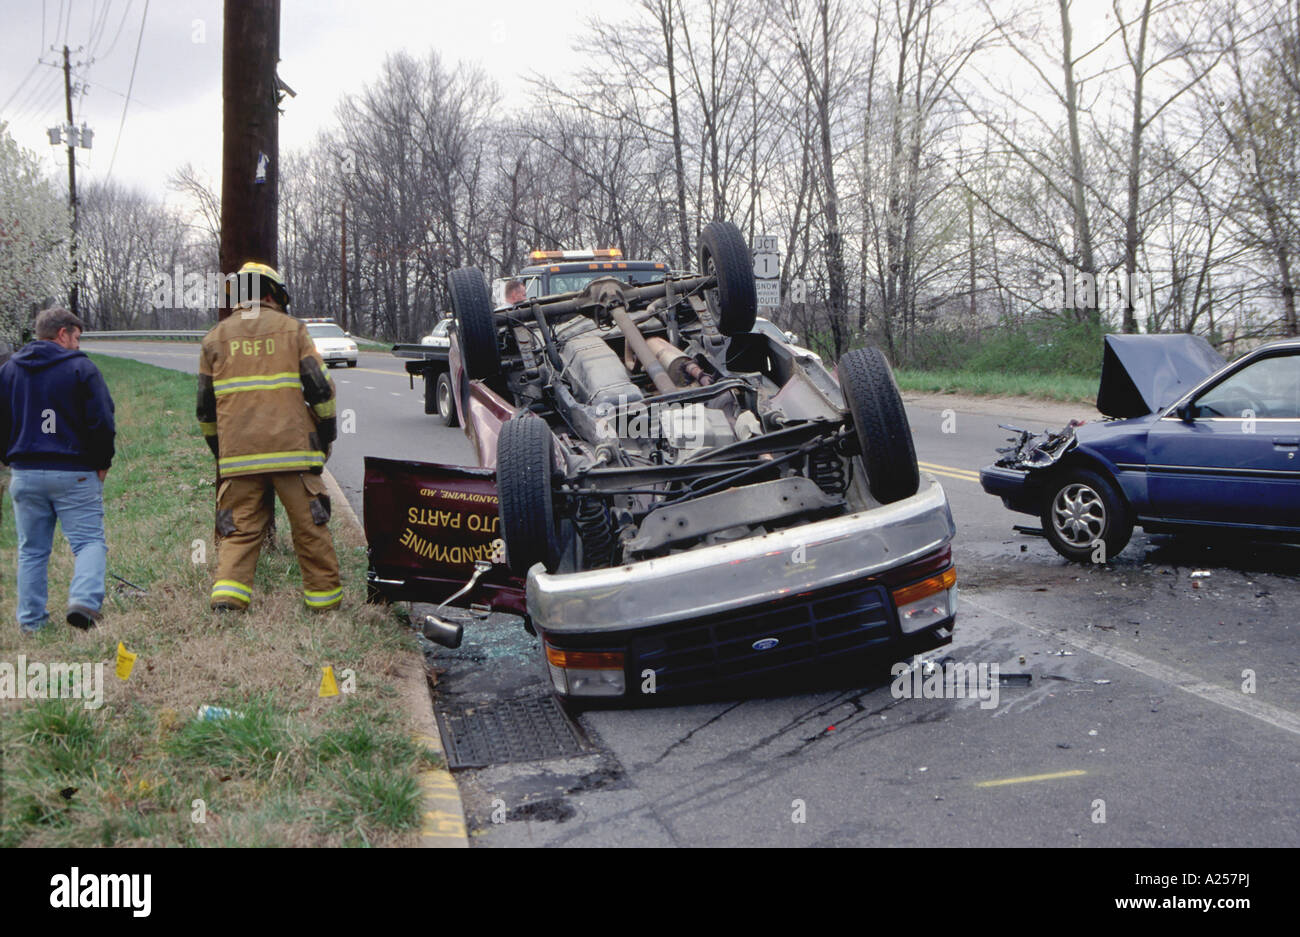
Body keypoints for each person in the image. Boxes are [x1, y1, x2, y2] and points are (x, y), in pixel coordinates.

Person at [196, 261, 342, 612]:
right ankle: (323, 603)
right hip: (293, 453)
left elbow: (204, 410)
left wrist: (224, 452)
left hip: (239, 457)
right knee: (310, 527)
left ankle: (228, 599)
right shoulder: (293, 331)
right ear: (270, 293)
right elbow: (321, 390)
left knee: (239, 532)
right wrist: (325, 436)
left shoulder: (214, 338)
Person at [0, 308, 116, 633]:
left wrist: (9, 459)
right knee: (89, 541)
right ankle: (84, 602)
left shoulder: (8, 371)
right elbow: (102, 420)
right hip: (74, 472)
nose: (78, 345)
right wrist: (102, 462)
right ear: (62, 334)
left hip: (24, 473)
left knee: (32, 550)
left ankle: (31, 621)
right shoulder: (82, 368)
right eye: (76, 338)